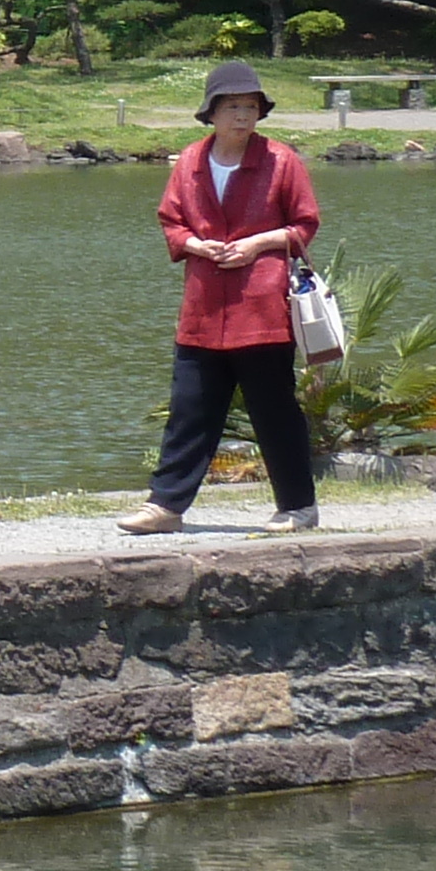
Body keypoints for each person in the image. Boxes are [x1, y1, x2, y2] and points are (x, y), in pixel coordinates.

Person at [123, 60, 324, 535]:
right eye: (232, 106)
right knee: (189, 409)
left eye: (251, 107)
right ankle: (165, 506)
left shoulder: (281, 161)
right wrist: (196, 245)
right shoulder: (191, 161)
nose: (242, 116)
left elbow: (305, 225)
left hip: (263, 308)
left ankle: (298, 507)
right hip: (202, 308)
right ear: (211, 113)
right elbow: (171, 221)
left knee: (274, 411)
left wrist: (258, 243)